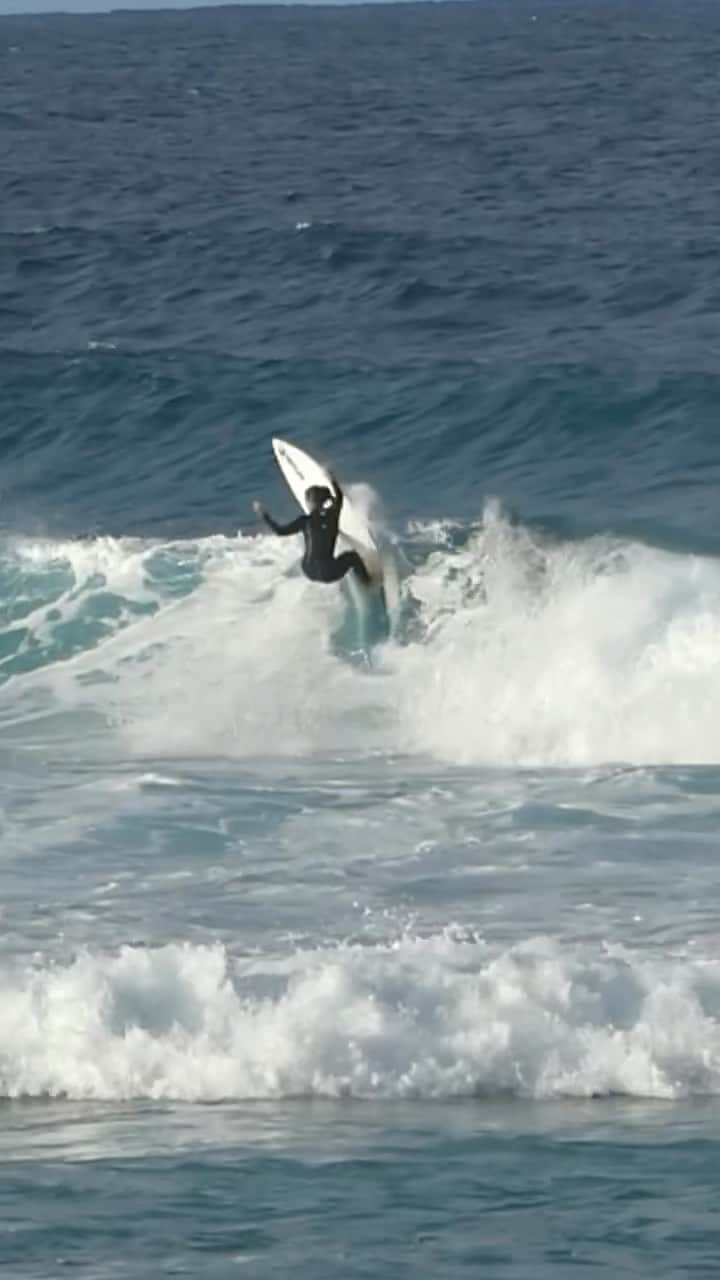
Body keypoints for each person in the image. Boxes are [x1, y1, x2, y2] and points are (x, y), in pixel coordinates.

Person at [253, 475, 371, 586]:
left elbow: (280, 531)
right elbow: (339, 497)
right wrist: (332, 478)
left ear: (310, 503)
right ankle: (367, 582)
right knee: (352, 557)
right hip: (328, 573)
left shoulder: (305, 521)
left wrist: (264, 514)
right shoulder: (333, 514)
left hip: (309, 570)